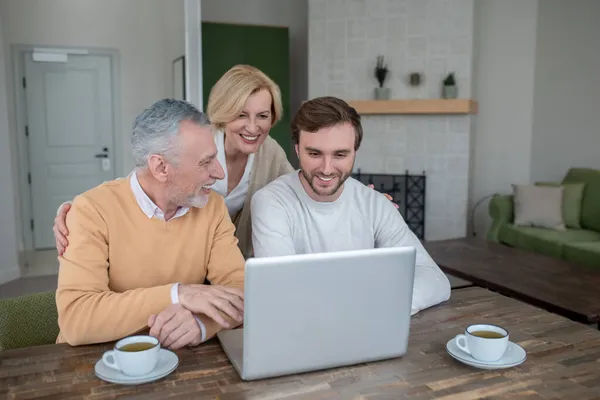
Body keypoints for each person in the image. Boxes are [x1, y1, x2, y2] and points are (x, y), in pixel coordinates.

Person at [53, 65, 395, 258]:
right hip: (184, 261)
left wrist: (360, 198)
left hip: (232, 266)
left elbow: (306, 186)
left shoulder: (270, 152)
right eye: (241, 115)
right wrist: (76, 210)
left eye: (263, 115)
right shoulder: (197, 147)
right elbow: (149, 180)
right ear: (222, 113)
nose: (253, 127)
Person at [55, 99, 245, 348]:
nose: (219, 173)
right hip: (96, 362)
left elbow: (242, 290)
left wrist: (201, 323)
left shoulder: (212, 207)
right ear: (161, 167)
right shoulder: (91, 210)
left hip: (180, 360)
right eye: (205, 162)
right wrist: (177, 295)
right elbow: (77, 319)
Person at [250, 96, 451, 316]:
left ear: (355, 151)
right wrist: (368, 299)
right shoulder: (271, 203)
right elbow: (282, 289)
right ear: (297, 150)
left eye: (340, 154)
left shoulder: (374, 204)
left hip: (366, 326)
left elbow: (434, 278)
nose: (326, 169)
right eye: (315, 154)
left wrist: (380, 305)